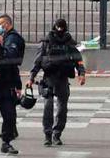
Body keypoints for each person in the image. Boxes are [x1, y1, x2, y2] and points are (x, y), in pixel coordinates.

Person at [27, 18, 86, 146]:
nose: (60, 29)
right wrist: (31, 77)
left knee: (62, 109)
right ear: (54, 27)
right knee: (48, 107)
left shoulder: (69, 42)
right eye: (58, 27)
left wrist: (81, 73)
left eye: (62, 27)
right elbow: (38, 61)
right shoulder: (46, 42)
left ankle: (57, 134)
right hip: (49, 78)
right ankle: (47, 135)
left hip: (63, 78)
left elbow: (78, 59)